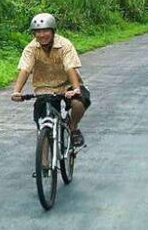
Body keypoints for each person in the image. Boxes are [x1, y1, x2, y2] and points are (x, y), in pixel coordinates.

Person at [11, 12, 89, 147]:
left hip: (67, 85)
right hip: (44, 87)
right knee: (42, 124)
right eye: (38, 32)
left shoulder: (64, 45)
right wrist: (16, 91)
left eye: (45, 31)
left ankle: (73, 127)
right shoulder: (31, 48)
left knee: (78, 103)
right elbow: (25, 69)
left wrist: (75, 88)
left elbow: (70, 67)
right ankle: (44, 165)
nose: (42, 35)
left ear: (53, 31)